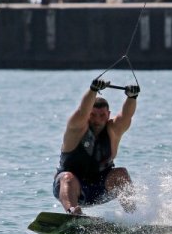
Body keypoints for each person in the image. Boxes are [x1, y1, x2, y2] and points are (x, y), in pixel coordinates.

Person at [53, 78, 140, 215]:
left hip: (100, 188)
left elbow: (126, 116)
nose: (97, 120)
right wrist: (93, 90)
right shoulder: (76, 127)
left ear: (108, 115)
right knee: (67, 177)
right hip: (72, 189)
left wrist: (132, 97)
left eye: (102, 115)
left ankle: (135, 216)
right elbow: (82, 111)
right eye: (93, 115)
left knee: (121, 173)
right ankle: (73, 212)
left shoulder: (114, 129)